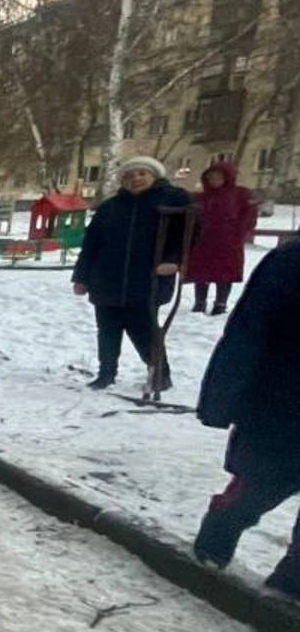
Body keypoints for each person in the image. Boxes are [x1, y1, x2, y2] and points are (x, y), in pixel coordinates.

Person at [193, 237, 300, 597]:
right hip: (283, 402)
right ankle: (218, 533)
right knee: (261, 484)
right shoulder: (290, 261)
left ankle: (290, 585)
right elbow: (248, 331)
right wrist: (222, 398)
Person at [70, 156, 192, 391]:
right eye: (129, 175)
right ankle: (106, 374)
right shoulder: (110, 207)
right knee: (107, 329)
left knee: (144, 329)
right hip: (106, 279)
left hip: (147, 279)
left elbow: (187, 234)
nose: (136, 179)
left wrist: (174, 260)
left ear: (154, 176)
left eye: (142, 174)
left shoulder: (171, 201)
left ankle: (160, 374)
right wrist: (81, 276)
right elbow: (92, 244)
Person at [188, 159, 258, 316]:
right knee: (201, 271)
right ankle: (200, 302)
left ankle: (221, 303)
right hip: (203, 240)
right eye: (210, 177)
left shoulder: (240, 194)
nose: (214, 180)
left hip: (228, 241)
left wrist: (238, 233)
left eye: (218, 177)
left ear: (227, 177)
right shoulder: (201, 197)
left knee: (225, 272)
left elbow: (249, 215)